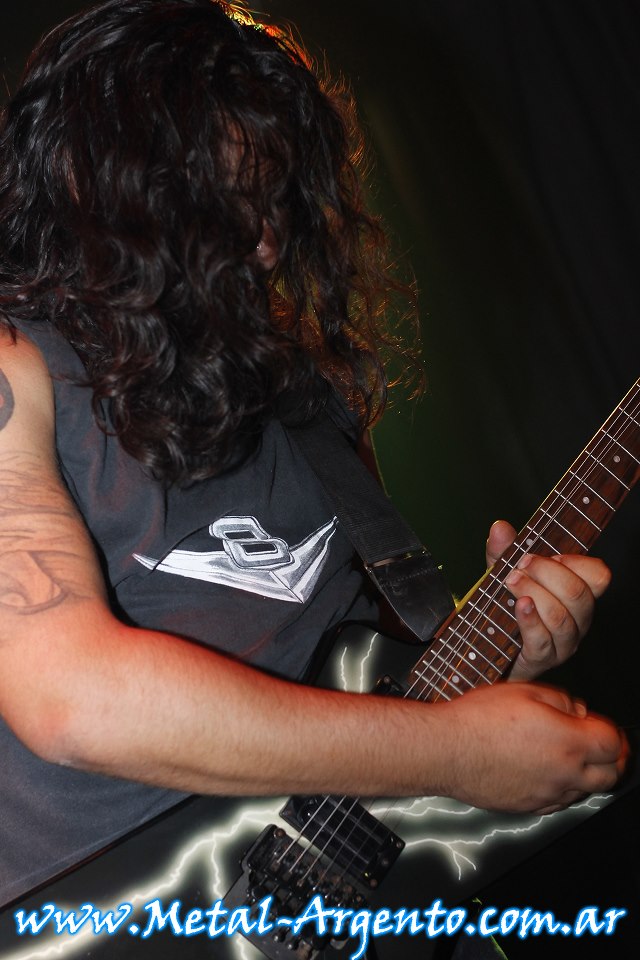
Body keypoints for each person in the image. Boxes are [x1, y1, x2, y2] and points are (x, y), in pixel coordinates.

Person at [0, 0, 627, 928]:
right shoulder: (16, 364)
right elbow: (70, 699)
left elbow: (363, 667)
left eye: (275, 199)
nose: (264, 241)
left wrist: (503, 645)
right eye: (227, 197)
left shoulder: (310, 398)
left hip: (351, 910)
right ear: (103, 190)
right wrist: (452, 750)